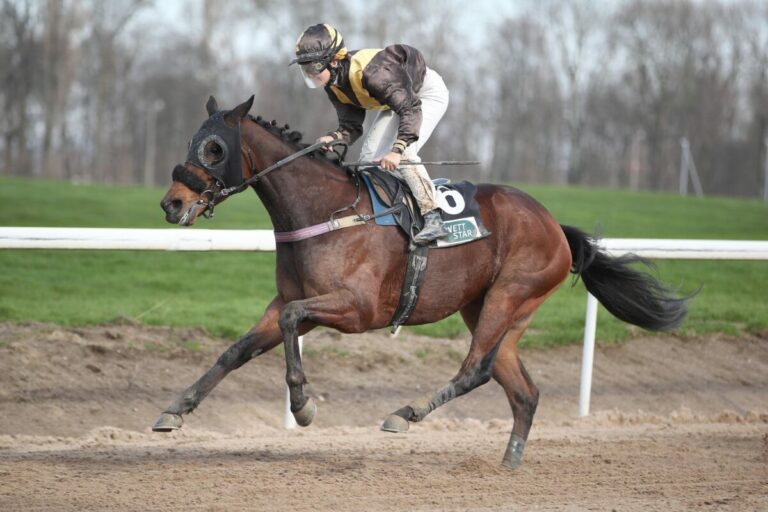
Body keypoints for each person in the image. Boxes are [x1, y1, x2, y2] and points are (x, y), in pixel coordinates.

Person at [290, 23, 450, 244]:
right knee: (367, 161)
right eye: (305, 67)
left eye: (314, 66)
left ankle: (433, 216)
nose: (310, 73)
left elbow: (410, 110)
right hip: (397, 101)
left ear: (334, 61)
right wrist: (333, 138)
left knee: (405, 155)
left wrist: (397, 149)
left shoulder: (373, 74)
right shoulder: (334, 83)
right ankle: (393, 214)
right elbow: (351, 127)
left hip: (424, 94)